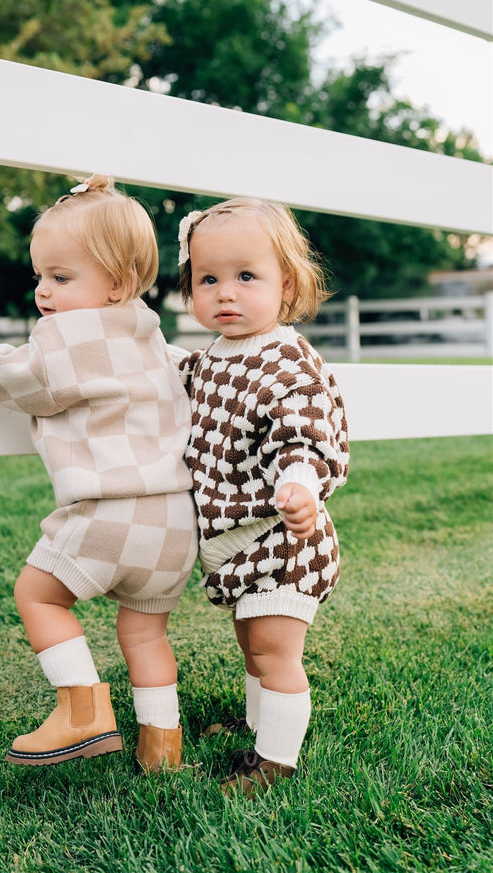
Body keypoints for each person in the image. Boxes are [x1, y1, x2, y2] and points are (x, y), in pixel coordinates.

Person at [0, 174, 198, 773]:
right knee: (145, 636)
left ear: (115, 284)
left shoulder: (70, 334)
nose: (43, 292)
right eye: (40, 276)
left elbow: (17, 382)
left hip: (111, 511)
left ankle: (83, 708)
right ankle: (163, 747)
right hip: (174, 525)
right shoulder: (151, 333)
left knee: (38, 593)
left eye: (61, 279)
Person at [175, 198, 349, 795]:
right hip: (236, 539)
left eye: (247, 276)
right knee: (252, 643)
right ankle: (258, 724)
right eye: (208, 279)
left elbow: (303, 432)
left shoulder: (286, 359)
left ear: (287, 284)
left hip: (283, 535)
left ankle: (274, 760)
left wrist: (299, 483)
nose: (226, 293)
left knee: (275, 650)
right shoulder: (207, 362)